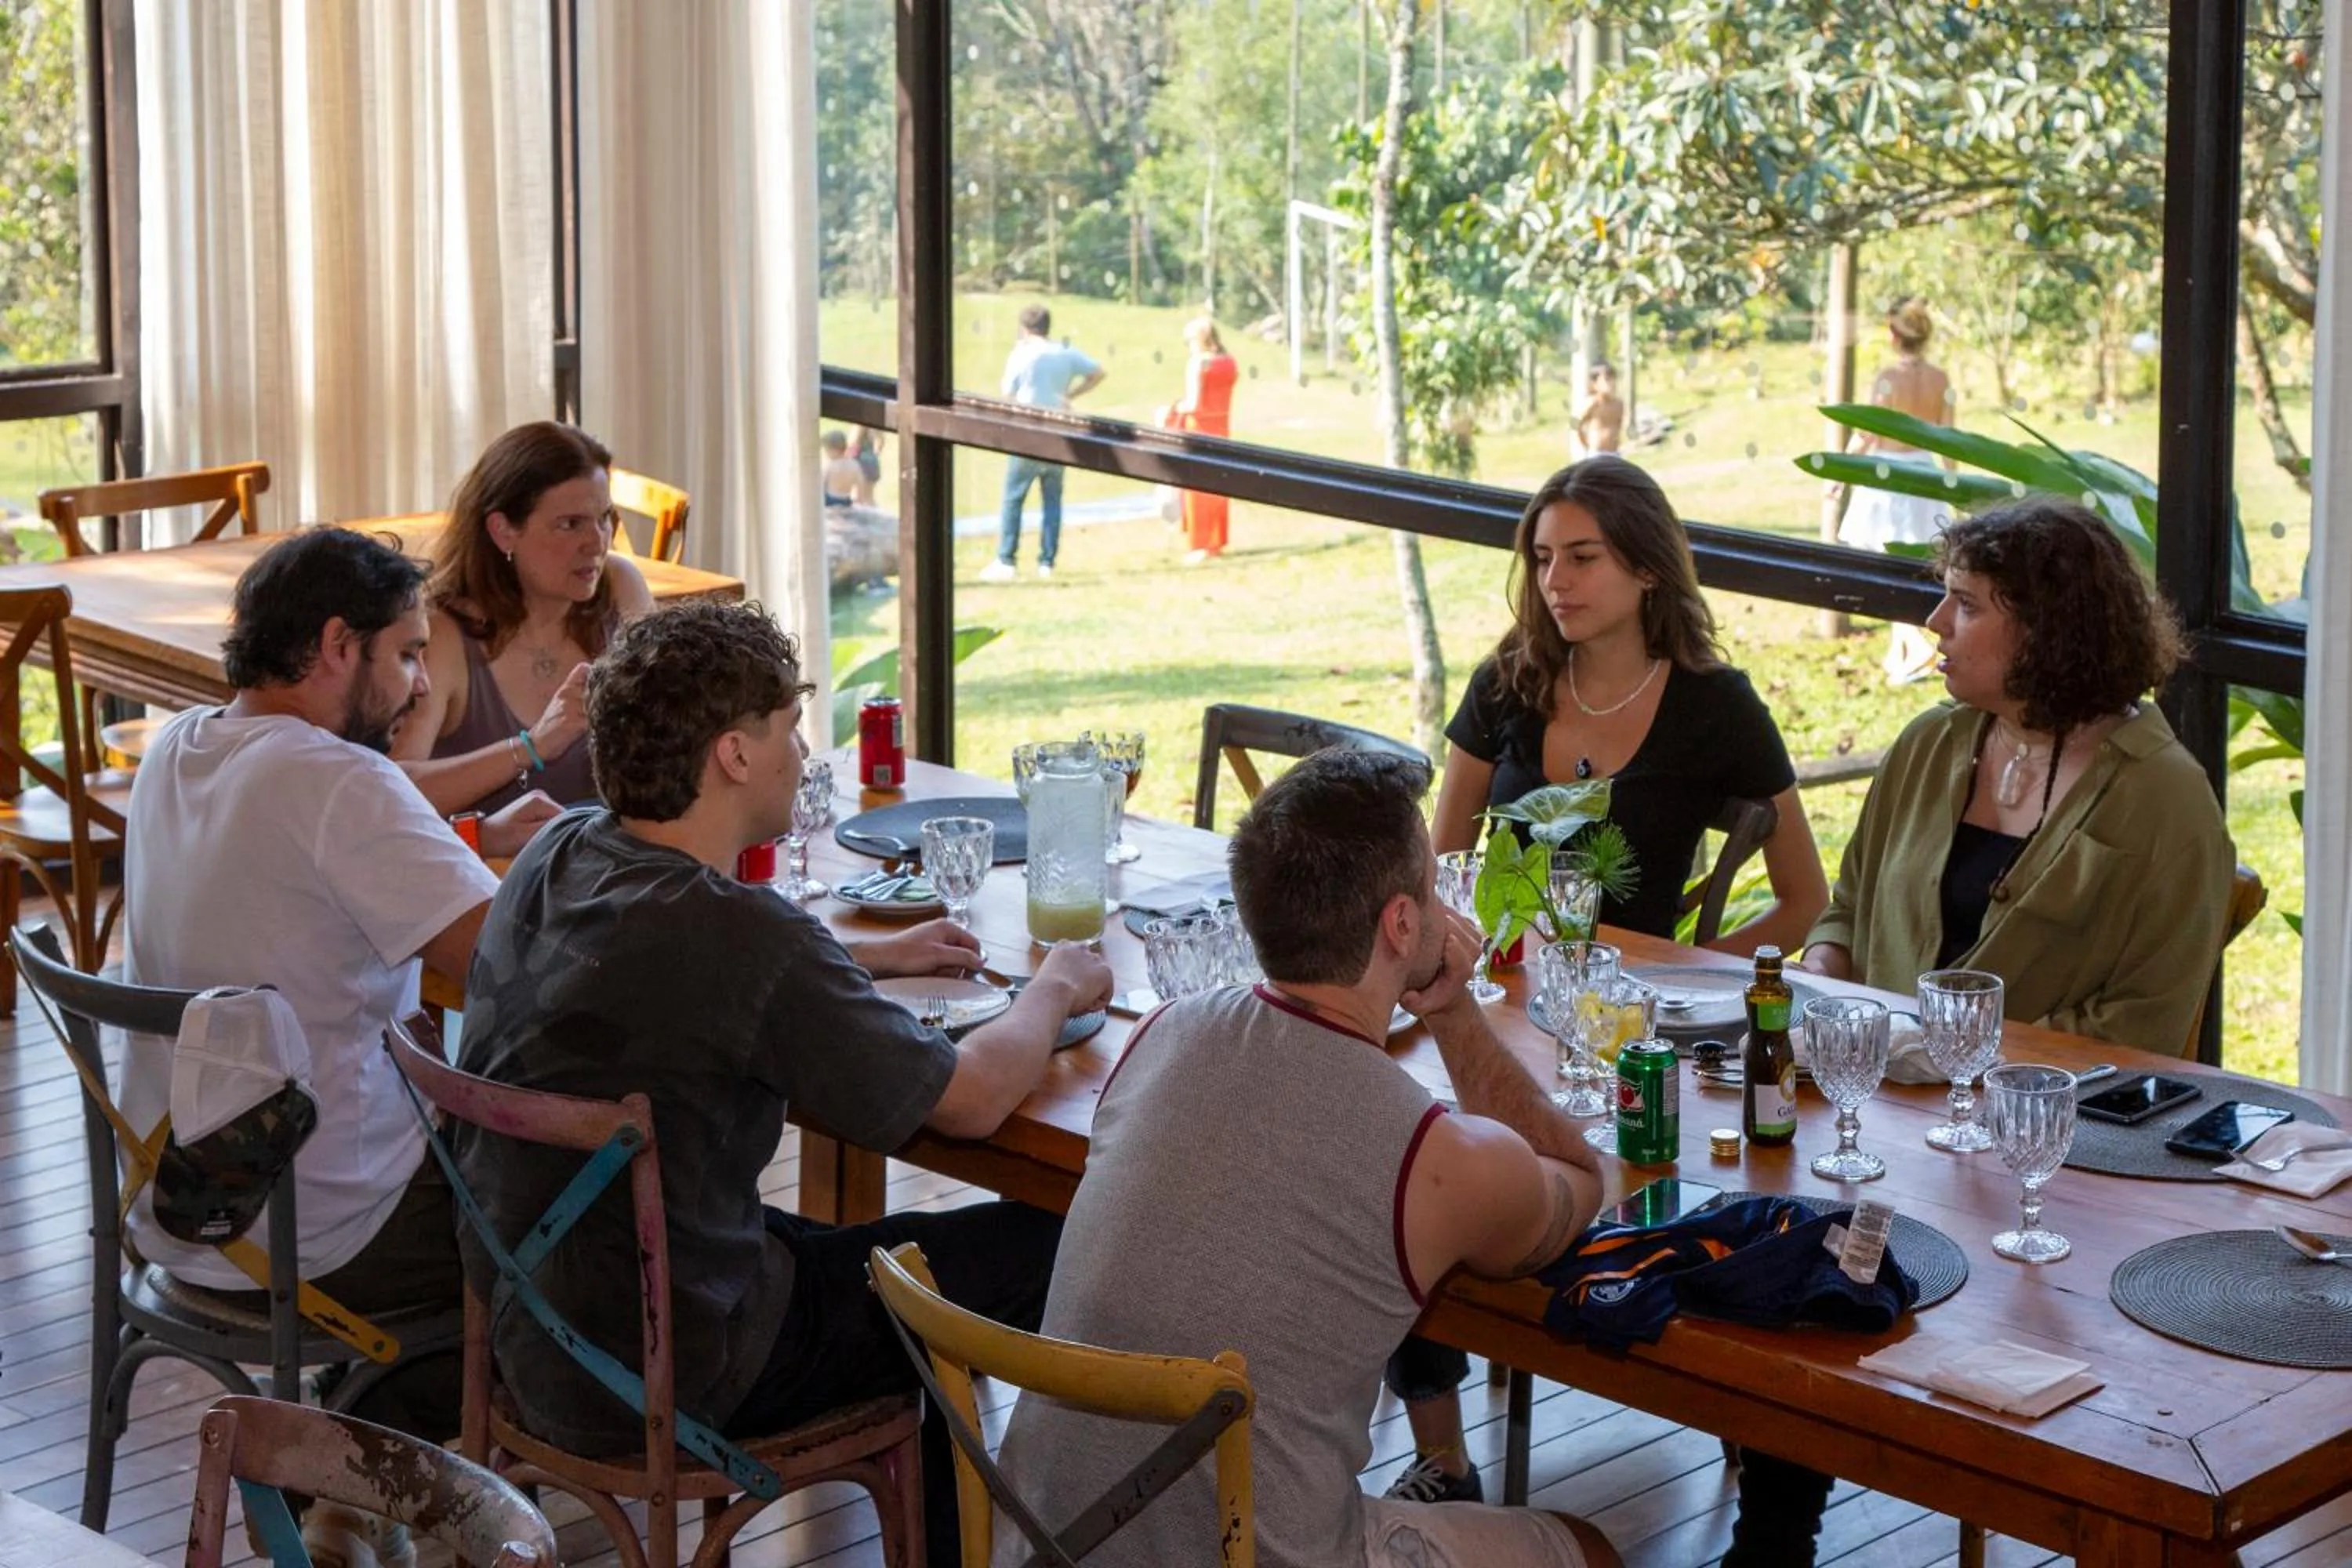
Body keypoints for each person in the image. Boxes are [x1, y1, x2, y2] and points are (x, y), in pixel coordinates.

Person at [449, 599, 1112, 1568]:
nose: (803, 750)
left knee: (903, 1277)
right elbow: (967, 1099)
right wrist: (1054, 987)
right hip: (679, 1365)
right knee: (1058, 1238)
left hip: (538, 1329)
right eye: (787, 728)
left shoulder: (564, 851)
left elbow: (699, 964)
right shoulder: (743, 938)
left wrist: (853, 957)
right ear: (733, 754)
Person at [994, 749, 1618, 1568]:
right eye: (1428, 886)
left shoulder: (1158, 1036)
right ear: (1401, 923)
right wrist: (1452, 1006)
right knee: (1587, 1545)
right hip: (1252, 1554)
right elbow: (1579, 1178)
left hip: (1043, 1545)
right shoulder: (1432, 1159)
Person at [1395, 455, 1830, 1504]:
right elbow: (1439, 864)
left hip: (1635, 1048)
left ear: (1645, 566)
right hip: (1491, 1011)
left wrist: (1681, 983)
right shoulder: (1510, 678)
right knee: (1393, 1157)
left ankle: (1749, 1434)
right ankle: (1442, 1457)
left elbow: (1804, 900)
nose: (1556, 580)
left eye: (1582, 556)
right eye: (1543, 558)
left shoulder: (1715, 705)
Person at [121, 527, 555, 1564]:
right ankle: (416, 1491)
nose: (414, 687)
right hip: (314, 1224)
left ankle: (346, 1505)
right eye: (404, 653)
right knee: (572, 1220)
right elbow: (506, 957)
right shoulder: (336, 781)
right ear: (334, 644)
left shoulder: (178, 749)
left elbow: (312, 880)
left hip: (182, 1199)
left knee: (510, 1185)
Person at [1801, 495, 2233, 1046]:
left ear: (2050, 630)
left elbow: (2145, 1025)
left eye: (1967, 605)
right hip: (1878, 1096)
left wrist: (1954, 1061)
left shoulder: (2164, 798)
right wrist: (1818, 974)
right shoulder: (1928, 745)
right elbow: (1850, 910)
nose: (1936, 622)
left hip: (2041, 1120)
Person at [390, 421, 653, 815]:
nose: (597, 542)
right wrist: (533, 746)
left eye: (604, 519)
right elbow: (390, 790)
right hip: (490, 874)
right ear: (503, 532)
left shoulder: (621, 588)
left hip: (608, 866)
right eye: (570, 524)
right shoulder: (443, 632)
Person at [1838, 297, 1958, 684]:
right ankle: (1898, 657)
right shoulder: (1942, 380)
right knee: (1907, 563)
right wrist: (1953, 487)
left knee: (1883, 564)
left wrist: (1840, 470)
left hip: (1889, 480)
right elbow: (1948, 439)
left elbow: (1867, 431)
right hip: (1925, 477)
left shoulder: (1886, 378)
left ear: (1894, 335)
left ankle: (1917, 644)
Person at [982, 304, 1105, 583]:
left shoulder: (1021, 355)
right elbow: (1097, 372)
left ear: (1024, 328)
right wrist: (1070, 395)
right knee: (1052, 500)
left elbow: (1008, 393)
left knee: (1014, 498)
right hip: (1058, 434)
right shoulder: (1064, 352)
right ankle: (1046, 561)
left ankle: (1006, 558)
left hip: (1028, 433)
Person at [1162, 314, 1239, 563]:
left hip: (1200, 429)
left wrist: (1172, 409)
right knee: (1218, 485)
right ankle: (1216, 541)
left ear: (1199, 340)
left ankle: (1199, 545)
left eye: (1189, 341)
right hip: (1222, 428)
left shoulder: (1198, 364)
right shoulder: (1229, 363)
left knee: (1196, 489)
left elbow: (1193, 403)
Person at [1573, 362, 1625, 456]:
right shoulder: (1593, 403)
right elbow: (1576, 422)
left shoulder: (1619, 404)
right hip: (1597, 452)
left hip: (1614, 452)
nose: (1611, 383)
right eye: (1606, 380)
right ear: (1595, 385)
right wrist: (1584, 442)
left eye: (1613, 379)